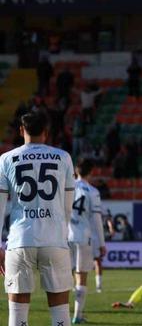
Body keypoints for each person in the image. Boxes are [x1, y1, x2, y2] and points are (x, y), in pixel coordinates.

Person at [0, 110, 76, 326]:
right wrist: (62, 231)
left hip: (20, 239)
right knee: (60, 313)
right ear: (46, 131)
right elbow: (67, 205)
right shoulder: (63, 157)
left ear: (21, 130)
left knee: (17, 315)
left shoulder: (6, 159)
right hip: (54, 239)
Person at [68, 159, 106, 324]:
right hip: (83, 238)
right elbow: (97, 220)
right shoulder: (93, 191)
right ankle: (77, 315)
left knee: (64, 277)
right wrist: (102, 243)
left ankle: (60, 313)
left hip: (65, 237)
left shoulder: (66, 187)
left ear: (76, 170)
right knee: (82, 277)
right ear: (91, 172)